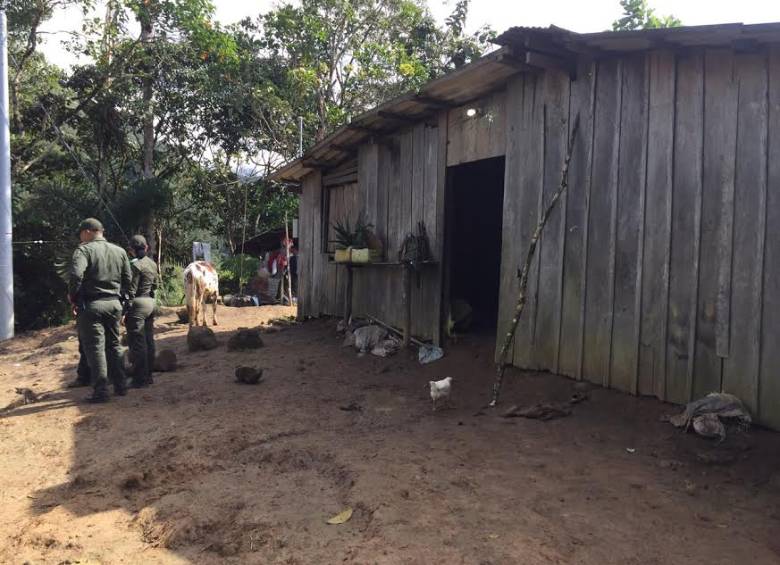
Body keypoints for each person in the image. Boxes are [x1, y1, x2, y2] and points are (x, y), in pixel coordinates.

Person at [68, 218, 132, 403]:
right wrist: (124, 300)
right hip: (114, 304)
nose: (81, 237)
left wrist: (73, 297)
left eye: (81, 234)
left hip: (92, 306)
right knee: (114, 344)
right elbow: (128, 279)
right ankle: (121, 385)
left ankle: (101, 391)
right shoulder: (119, 251)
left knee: (95, 348)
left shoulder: (84, 250)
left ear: (88, 231)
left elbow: (75, 275)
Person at [124, 235, 158, 388]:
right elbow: (155, 286)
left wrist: (125, 310)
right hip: (151, 303)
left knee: (138, 343)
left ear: (131, 250)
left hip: (138, 304)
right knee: (149, 340)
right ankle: (149, 375)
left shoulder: (135, 266)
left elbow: (130, 290)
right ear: (146, 248)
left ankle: (140, 378)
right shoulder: (152, 264)